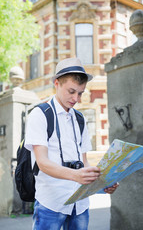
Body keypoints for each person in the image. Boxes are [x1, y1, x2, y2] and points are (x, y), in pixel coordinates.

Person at [25, 57, 119, 230]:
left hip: (80, 203)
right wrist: (75, 175)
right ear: (57, 84)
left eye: (80, 93)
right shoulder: (40, 114)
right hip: (51, 203)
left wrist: (103, 182)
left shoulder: (80, 118)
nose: (76, 98)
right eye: (71, 91)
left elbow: (84, 162)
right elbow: (42, 163)